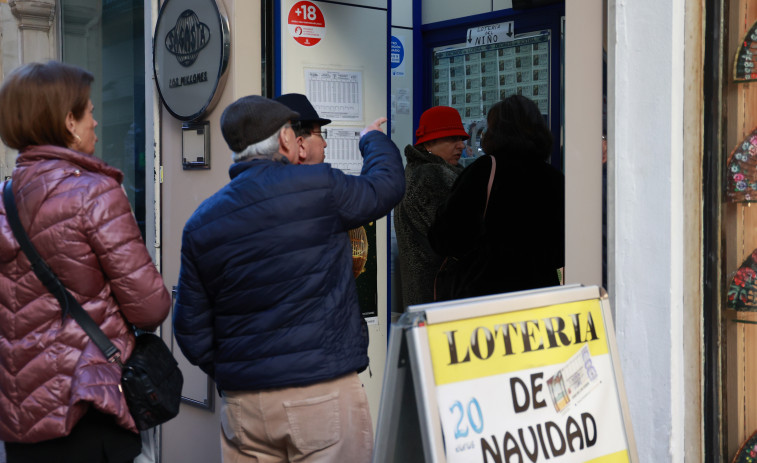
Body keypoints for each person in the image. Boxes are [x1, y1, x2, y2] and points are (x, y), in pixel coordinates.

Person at [173, 95, 404, 462]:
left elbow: (189, 330)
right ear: (284, 140)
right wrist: (370, 139)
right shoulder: (320, 188)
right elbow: (386, 186)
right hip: (320, 395)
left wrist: (241, 369)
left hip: (244, 407)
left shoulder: (202, 222)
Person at [0, 61, 171, 462]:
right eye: (89, 112)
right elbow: (150, 308)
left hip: (21, 414)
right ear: (69, 123)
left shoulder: (3, 200)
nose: (96, 122)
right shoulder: (94, 193)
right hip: (90, 404)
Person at [429, 95, 564, 299]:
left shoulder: (484, 171)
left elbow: (445, 238)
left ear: (496, 132)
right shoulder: (554, 179)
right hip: (541, 296)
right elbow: (561, 250)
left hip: (487, 297)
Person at [394, 106, 468, 307]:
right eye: (452, 138)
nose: (461, 145)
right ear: (428, 143)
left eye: (462, 139)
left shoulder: (415, 171)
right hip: (440, 293)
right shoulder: (430, 176)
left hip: (427, 293)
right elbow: (459, 236)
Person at [274, 93, 330, 165]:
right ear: (300, 146)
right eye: (319, 134)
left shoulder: (263, 173)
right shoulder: (327, 175)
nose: (325, 144)